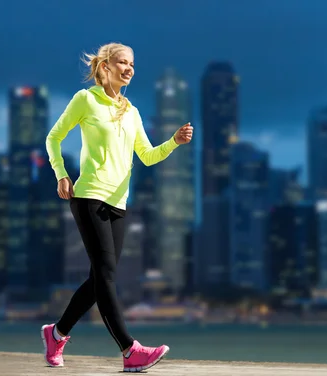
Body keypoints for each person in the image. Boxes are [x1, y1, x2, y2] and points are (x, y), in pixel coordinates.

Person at [41, 42, 193, 372]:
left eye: (133, 64)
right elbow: (54, 137)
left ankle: (57, 333)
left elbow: (148, 157)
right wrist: (61, 173)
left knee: (100, 278)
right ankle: (130, 350)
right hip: (89, 196)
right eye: (122, 62)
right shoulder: (86, 100)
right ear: (105, 66)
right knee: (107, 274)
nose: (129, 68)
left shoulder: (133, 112)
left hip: (118, 203)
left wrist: (174, 142)